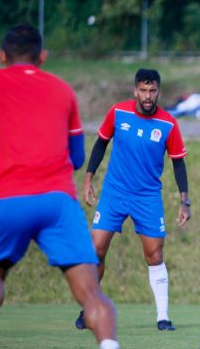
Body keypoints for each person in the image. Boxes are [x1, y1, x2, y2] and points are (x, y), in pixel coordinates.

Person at [0, 24, 131, 349]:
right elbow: (78, 156)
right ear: (43, 57)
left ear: (2, 56)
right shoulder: (63, 90)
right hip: (57, 202)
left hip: (7, 199)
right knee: (90, 291)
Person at [75, 68, 191, 332]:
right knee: (96, 250)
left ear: (159, 92)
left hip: (147, 197)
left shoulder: (169, 124)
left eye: (152, 91)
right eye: (143, 90)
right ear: (135, 90)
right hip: (114, 194)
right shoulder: (118, 112)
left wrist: (185, 201)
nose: (147, 96)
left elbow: (179, 164)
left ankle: (163, 317)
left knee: (155, 254)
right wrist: (88, 178)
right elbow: (101, 144)